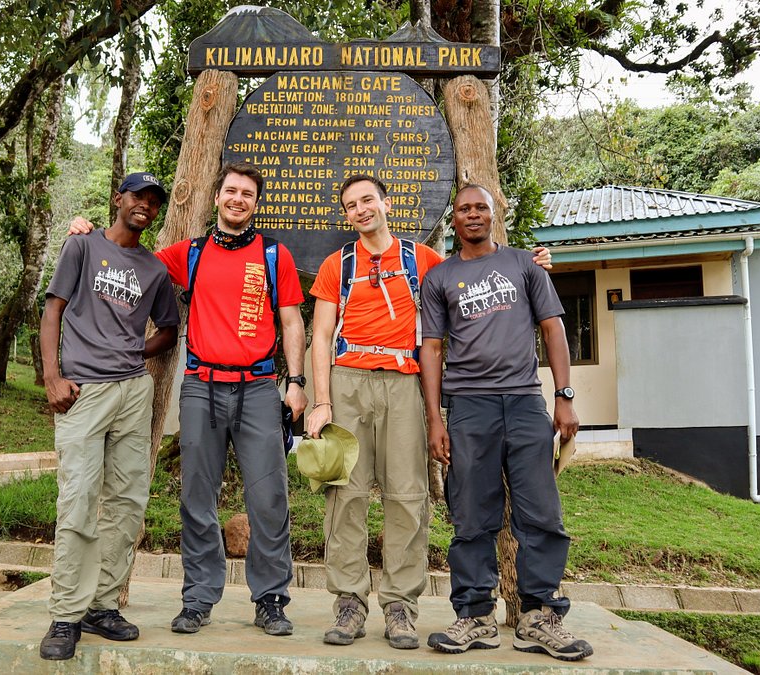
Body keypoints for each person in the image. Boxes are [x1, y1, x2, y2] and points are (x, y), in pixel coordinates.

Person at [306, 174, 554, 650]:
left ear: (386, 204)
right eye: (351, 205)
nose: (361, 210)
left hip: (405, 382)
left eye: (368, 201)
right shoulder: (338, 264)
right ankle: (349, 602)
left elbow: (476, 278)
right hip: (348, 380)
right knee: (346, 495)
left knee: (407, 495)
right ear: (346, 215)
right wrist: (322, 402)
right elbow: (321, 336)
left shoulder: (423, 260)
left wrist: (535, 264)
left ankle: (400, 603)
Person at [68, 161, 307, 637]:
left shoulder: (274, 255)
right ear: (217, 197)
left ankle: (271, 600)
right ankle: (198, 597)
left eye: (248, 195)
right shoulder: (189, 253)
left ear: (256, 205)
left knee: (269, 497)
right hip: (201, 386)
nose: (238, 200)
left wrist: (295, 381)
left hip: (259, 387)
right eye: (231, 191)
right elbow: (124, 256)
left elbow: (292, 321)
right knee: (198, 497)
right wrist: (83, 231)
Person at [419, 184, 593, 662]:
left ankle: (540, 617)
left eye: (481, 208)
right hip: (468, 408)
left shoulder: (526, 266)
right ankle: (475, 616)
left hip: (523, 403)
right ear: (452, 219)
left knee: (541, 513)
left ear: (495, 215)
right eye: (464, 209)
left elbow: (553, 327)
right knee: (471, 513)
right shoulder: (440, 277)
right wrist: (435, 417)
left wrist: (564, 397)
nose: (472, 215)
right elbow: (431, 348)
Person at [38, 172, 180, 661]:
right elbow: (52, 311)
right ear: (118, 199)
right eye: (137, 196)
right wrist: (52, 377)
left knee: (127, 501)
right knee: (78, 499)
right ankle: (65, 614)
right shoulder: (81, 247)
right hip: (84, 391)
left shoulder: (154, 269)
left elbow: (169, 329)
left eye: (153, 201)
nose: (144, 205)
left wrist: (135, 353)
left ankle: (102, 606)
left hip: (133, 393)